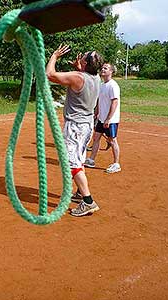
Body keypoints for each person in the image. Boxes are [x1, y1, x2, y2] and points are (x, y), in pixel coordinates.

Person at [46, 44, 103, 217]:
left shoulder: (78, 78)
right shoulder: (96, 78)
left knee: (71, 163)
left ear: (85, 64)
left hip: (75, 127)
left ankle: (88, 201)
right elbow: (85, 77)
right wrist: (80, 68)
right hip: (86, 125)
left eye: (84, 57)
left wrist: (55, 55)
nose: (81, 57)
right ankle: (80, 192)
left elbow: (50, 75)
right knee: (78, 158)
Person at [84, 63, 121, 174]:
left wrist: (109, 119)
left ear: (111, 72)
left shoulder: (113, 85)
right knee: (96, 138)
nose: (103, 70)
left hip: (111, 119)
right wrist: (96, 113)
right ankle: (91, 160)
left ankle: (116, 163)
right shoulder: (102, 85)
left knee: (112, 140)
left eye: (106, 68)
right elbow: (99, 101)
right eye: (102, 68)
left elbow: (114, 102)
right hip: (101, 118)